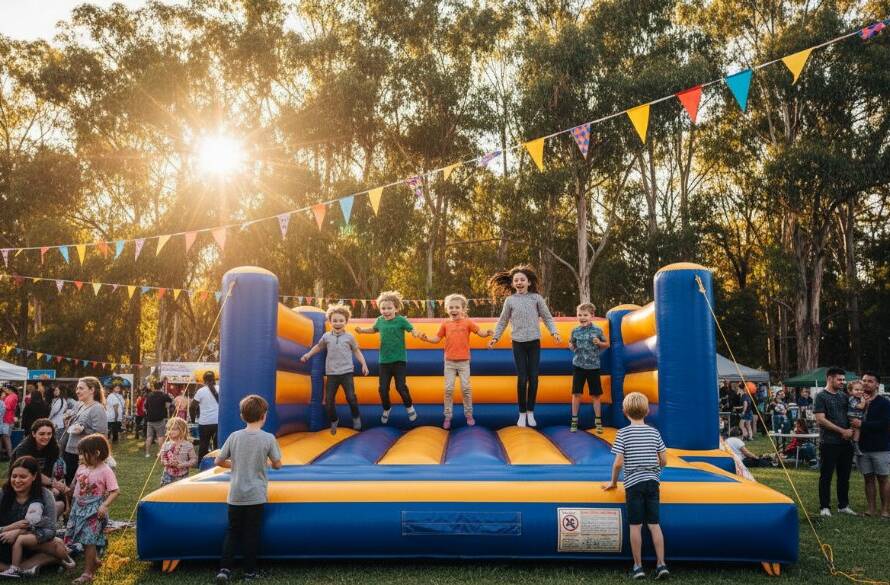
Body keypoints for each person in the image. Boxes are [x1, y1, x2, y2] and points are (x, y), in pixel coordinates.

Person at [214, 395, 282, 583]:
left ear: (242, 416)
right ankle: (249, 572)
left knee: (233, 531)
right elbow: (278, 464)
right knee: (251, 533)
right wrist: (269, 463)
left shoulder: (234, 436)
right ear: (264, 416)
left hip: (235, 495)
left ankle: (224, 569)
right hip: (256, 495)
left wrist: (235, 465)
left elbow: (218, 461)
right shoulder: (268, 438)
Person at [603, 392, 669, 580]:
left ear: (624, 412)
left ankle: (638, 566)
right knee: (654, 525)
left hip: (633, 484)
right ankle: (661, 563)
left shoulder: (623, 433)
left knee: (635, 525)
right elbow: (664, 459)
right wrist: (655, 471)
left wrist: (613, 482)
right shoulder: (654, 432)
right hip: (652, 483)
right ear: (647, 411)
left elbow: (618, 463)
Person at [487, 265, 562, 428]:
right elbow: (503, 321)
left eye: (522, 280)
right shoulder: (510, 301)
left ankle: (530, 411)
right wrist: (495, 337)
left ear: (529, 282)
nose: (519, 282)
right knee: (522, 378)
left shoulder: (536, 298)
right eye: (516, 280)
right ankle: (521, 413)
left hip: (534, 342)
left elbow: (547, 317)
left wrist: (554, 332)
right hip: (518, 343)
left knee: (533, 378)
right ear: (512, 284)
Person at [417, 294, 492, 429]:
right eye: (451, 307)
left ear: (463, 309)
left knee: (466, 388)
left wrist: (487, 333)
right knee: (448, 389)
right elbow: (437, 339)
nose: (454, 310)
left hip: (464, 362)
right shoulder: (445, 324)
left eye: (457, 307)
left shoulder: (467, 322)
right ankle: (448, 416)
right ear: (447, 309)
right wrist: (426, 338)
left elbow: (480, 332)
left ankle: (468, 414)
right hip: (449, 362)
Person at [0, 457, 74, 578]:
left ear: (34, 476)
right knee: (57, 544)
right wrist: (10, 528)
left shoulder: (45, 495)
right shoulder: (3, 494)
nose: (17, 480)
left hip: (30, 543)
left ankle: (22, 567)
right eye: (14, 476)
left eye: (23, 477)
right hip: (4, 541)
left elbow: (50, 530)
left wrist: (20, 532)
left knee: (56, 545)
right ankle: (37, 563)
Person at [355, 291, 422, 424]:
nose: (386, 311)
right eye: (383, 308)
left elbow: (411, 329)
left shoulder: (401, 320)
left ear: (396, 308)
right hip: (384, 361)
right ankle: (387, 408)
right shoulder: (380, 320)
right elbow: (374, 329)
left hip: (399, 360)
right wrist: (362, 330)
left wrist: (415, 333)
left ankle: (409, 407)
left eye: (389, 308)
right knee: (382, 389)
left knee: (400, 386)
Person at [301, 304, 370, 434]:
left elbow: (356, 351)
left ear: (346, 322)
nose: (338, 323)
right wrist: (308, 355)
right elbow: (318, 347)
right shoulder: (327, 336)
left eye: (341, 321)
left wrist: (364, 364)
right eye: (335, 321)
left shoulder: (349, 337)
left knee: (351, 397)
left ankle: (356, 417)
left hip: (346, 372)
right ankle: (334, 420)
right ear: (330, 321)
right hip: (332, 373)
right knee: (328, 401)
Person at [65, 434, 119, 584]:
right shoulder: (82, 467)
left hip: (95, 510)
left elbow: (115, 491)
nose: (80, 456)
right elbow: (77, 488)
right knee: (83, 537)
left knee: (89, 540)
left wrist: (104, 505)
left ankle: (88, 573)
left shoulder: (105, 470)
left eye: (83, 453)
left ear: (96, 453)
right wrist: (71, 505)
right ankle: (94, 559)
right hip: (79, 507)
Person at [814, 366, 856, 517]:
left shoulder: (844, 396)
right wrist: (842, 431)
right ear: (830, 379)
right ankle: (824, 507)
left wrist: (850, 430)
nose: (843, 382)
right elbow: (820, 419)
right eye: (840, 379)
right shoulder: (821, 396)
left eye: (844, 379)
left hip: (846, 443)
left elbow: (852, 414)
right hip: (829, 442)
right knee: (826, 476)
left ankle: (843, 505)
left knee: (844, 476)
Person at [567, 302, 609, 434]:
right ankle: (574, 420)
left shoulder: (597, 330)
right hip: (578, 366)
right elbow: (571, 343)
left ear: (592, 315)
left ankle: (598, 421)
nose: (582, 317)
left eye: (585, 315)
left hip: (593, 367)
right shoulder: (575, 331)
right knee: (576, 394)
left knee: (596, 395)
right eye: (580, 315)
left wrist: (599, 342)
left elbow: (607, 344)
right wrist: (571, 346)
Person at [12, 419, 68, 516]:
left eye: (49, 434)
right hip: (22, 481)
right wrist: (53, 483)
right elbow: (27, 473)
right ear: (34, 434)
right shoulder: (24, 449)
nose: (46, 437)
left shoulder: (53, 448)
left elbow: (49, 472)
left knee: (60, 494)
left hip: (42, 481)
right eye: (42, 434)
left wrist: (53, 485)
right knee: (53, 493)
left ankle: (51, 517)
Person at [853, 371, 889, 518]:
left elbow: (885, 424)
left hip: (880, 447)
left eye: (870, 381)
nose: (866, 383)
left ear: (877, 385)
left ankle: (885, 511)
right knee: (868, 478)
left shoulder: (884, 403)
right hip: (862, 447)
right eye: (864, 380)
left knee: (883, 479)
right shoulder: (856, 401)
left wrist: (862, 425)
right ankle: (871, 509)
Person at [61, 377, 108, 487]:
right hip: (70, 451)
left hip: (83, 456)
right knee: (68, 483)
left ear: (92, 390)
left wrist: (83, 430)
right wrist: (69, 422)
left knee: (77, 486)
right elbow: (75, 425)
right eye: (77, 388)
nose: (77, 391)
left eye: (81, 388)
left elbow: (101, 436)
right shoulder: (80, 405)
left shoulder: (97, 408)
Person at [159, 417, 198, 486]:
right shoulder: (166, 444)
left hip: (182, 477)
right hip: (167, 476)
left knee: (180, 492)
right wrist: (166, 462)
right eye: (169, 429)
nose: (170, 431)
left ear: (182, 430)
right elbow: (162, 459)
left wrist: (183, 464)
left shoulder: (188, 445)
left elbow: (194, 459)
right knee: (167, 491)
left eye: (174, 429)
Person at [194, 372, 221, 460]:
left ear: (204, 380)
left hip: (204, 422)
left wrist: (193, 419)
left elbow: (192, 406)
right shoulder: (220, 388)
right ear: (214, 379)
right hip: (218, 422)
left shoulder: (200, 391)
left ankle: (201, 463)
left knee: (204, 444)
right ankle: (217, 462)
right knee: (217, 445)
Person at [144, 382, 172, 458]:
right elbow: (170, 401)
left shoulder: (149, 395)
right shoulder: (163, 395)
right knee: (160, 436)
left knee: (149, 437)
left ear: (153, 387)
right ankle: (160, 453)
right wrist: (166, 405)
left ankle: (147, 453)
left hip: (150, 419)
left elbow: (146, 406)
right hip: (160, 419)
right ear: (161, 387)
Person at [846, 380, 866, 456]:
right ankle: (855, 445)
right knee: (857, 430)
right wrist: (863, 401)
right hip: (853, 417)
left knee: (858, 431)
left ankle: (855, 444)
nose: (859, 392)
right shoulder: (852, 399)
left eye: (861, 390)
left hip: (859, 417)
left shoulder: (858, 398)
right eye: (856, 390)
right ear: (850, 391)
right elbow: (861, 407)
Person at [0, 386, 19, 461]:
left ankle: (10, 455)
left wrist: (2, 403)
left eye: (7, 389)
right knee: (4, 437)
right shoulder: (10, 396)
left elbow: (9, 407)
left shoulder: (13, 396)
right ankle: (5, 454)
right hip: (5, 420)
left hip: (7, 420)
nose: (6, 391)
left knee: (6, 437)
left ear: (10, 390)